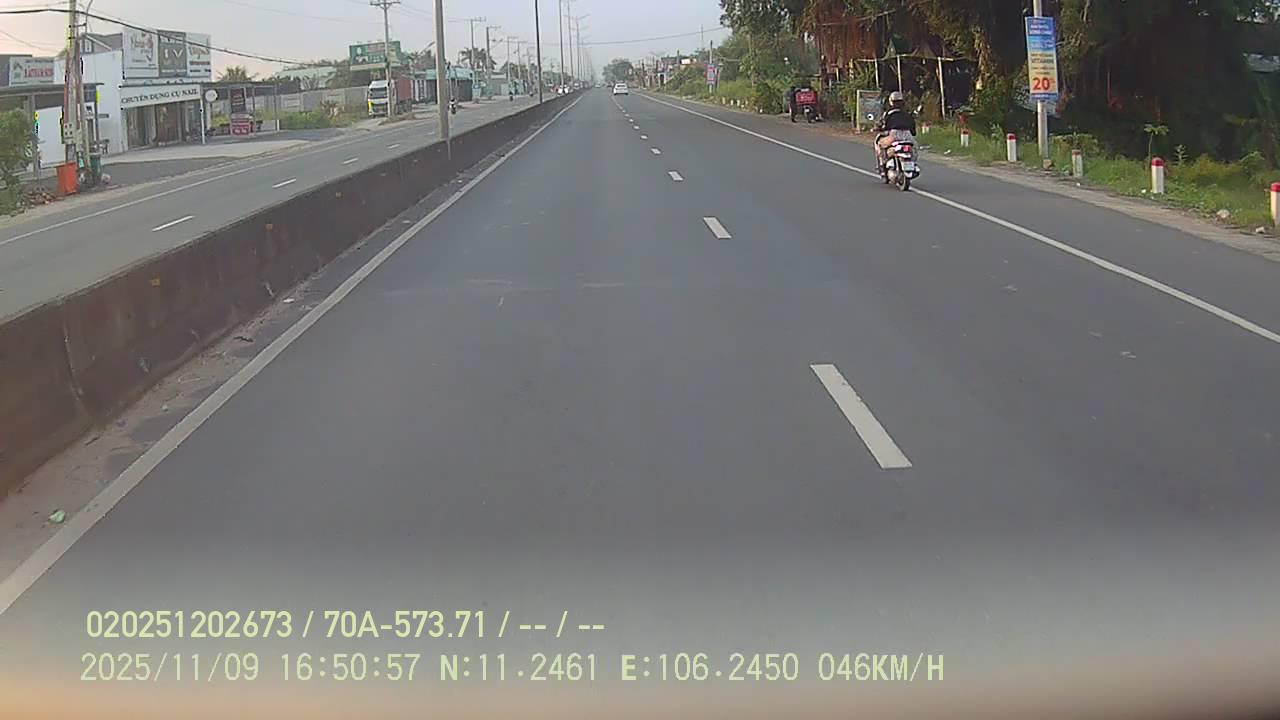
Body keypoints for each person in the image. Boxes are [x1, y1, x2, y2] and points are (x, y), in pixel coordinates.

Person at [875, 91, 917, 171]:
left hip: (894, 135)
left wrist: (878, 128)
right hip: (908, 136)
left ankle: (882, 165)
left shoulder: (888, 113)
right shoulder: (907, 114)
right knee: (913, 149)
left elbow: (883, 125)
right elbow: (913, 130)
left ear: (891, 102)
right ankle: (913, 163)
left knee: (880, 144)